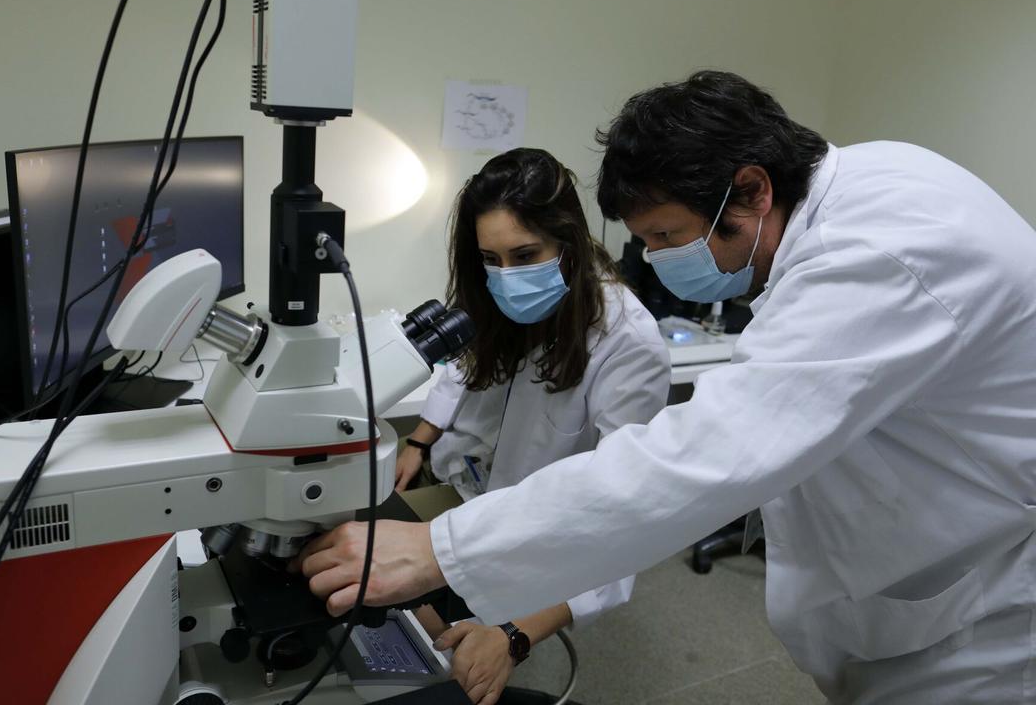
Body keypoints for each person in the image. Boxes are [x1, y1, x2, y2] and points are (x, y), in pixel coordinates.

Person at [300, 71, 1036, 703]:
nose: (652, 260)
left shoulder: (880, 251)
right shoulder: (861, 189)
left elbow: (699, 459)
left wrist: (441, 552)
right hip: (904, 564)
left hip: (979, 628)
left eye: (666, 236)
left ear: (750, 189)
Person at [393, 147, 669, 705]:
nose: (506, 275)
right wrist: (419, 440)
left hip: (545, 535)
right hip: (465, 498)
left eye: (525, 255)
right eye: (490, 258)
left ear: (566, 242)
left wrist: (514, 635)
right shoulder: (492, 294)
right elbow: (458, 370)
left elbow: (628, 518)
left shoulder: (625, 342)